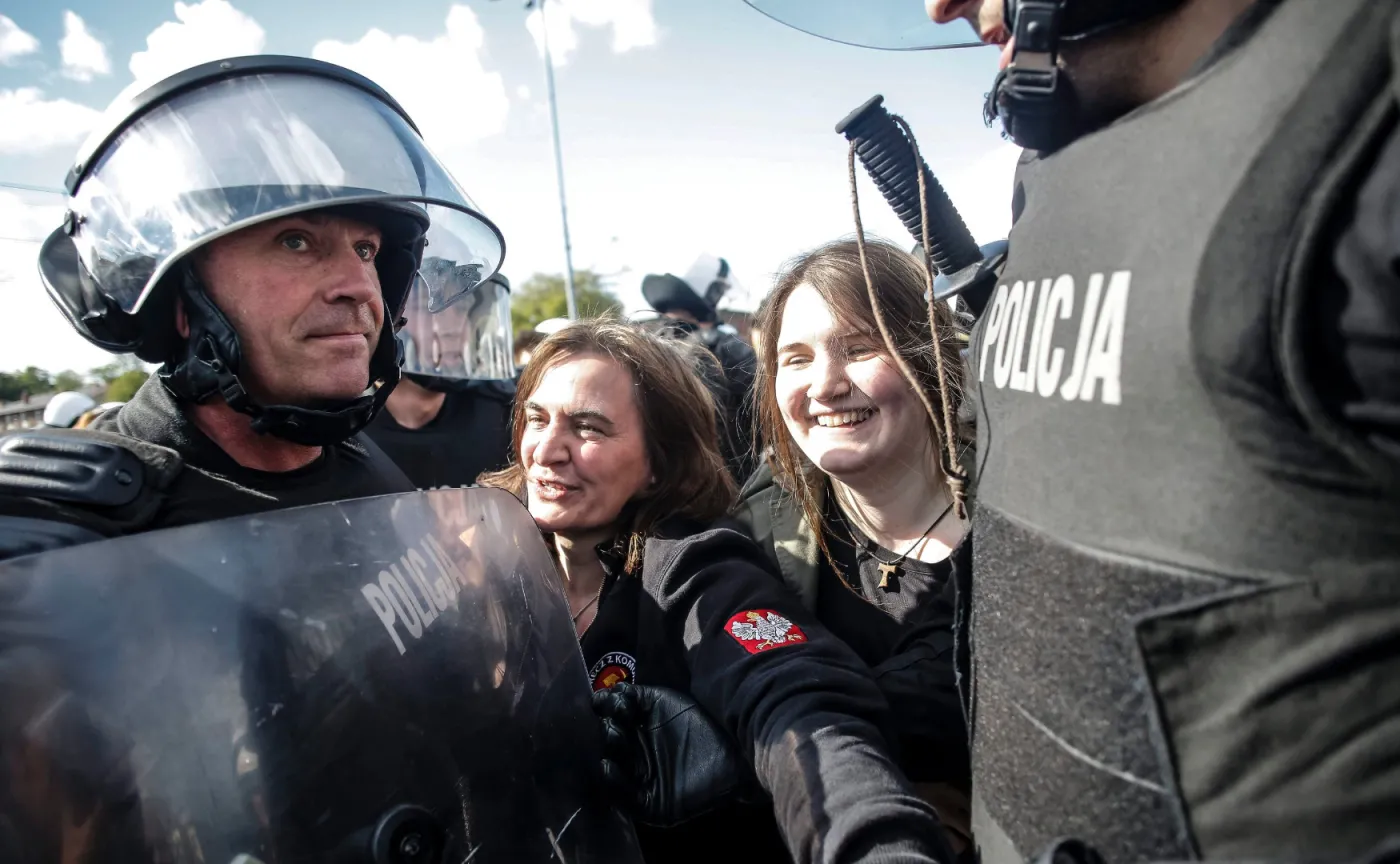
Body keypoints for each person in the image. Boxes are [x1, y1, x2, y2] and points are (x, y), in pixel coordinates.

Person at [742, 2, 1400, 864]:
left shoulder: (1356, 141)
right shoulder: (1058, 181)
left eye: (860, 347)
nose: (941, 6)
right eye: (793, 359)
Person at [480, 319, 956, 864]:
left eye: (588, 428)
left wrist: (869, 842)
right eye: (537, 419)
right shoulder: (485, 559)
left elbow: (792, 694)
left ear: (658, 462)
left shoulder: (695, 565)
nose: (547, 450)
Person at [0, 54, 505, 553]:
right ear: (180, 296)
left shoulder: (367, 464)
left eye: (366, 250)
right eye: (296, 242)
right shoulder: (64, 527)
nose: (359, 286)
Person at [734, 238, 972, 849]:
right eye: (796, 359)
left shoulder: (1018, 515)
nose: (824, 385)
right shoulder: (760, 530)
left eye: (861, 348)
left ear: (929, 355)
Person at [365, 271, 516, 489]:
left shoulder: (502, 415)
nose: (452, 328)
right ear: (391, 316)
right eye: (429, 307)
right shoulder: (345, 429)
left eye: (461, 308)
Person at [642, 254, 759, 481]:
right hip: (727, 475)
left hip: (664, 478)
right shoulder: (726, 345)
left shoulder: (643, 345)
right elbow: (759, 410)